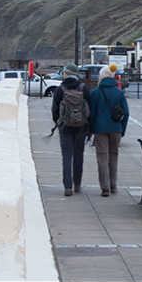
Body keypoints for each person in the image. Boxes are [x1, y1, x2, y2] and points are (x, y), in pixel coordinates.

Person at [88, 64, 129, 197]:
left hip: (100, 129)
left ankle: (105, 187)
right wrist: (122, 129)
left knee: (102, 157)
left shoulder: (96, 92)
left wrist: (91, 129)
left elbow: (91, 113)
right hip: (116, 128)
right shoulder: (119, 92)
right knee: (113, 156)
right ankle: (113, 185)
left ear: (101, 77)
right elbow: (126, 113)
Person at [51, 63, 90, 196]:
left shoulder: (60, 89)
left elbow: (54, 110)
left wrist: (59, 123)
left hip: (65, 127)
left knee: (67, 157)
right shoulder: (83, 88)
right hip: (81, 127)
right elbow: (90, 108)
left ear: (66, 74)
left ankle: (68, 187)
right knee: (79, 155)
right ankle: (77, 184)